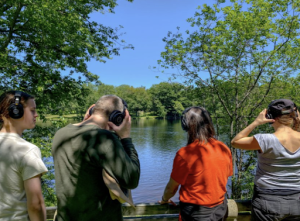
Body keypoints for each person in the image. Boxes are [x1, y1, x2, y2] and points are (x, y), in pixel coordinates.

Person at [52, 95, 140, 221]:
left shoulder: (61, 134)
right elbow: (132, 179)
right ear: (118, 118)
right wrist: (126, 138)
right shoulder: (103, 138)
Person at [231, 99, 300, 221]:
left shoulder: (265, 140)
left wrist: (256, 122)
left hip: (268, 201)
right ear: (294, 115)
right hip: (297, 202)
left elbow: (235, 142)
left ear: (269, 116)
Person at [160, 106, 233, 221]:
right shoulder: (223, 148)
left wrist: (164, 199)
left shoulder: (185, 154)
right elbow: (223, 177)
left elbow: (171, 188)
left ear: (186, 125)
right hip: (220, 209)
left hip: (195, 213)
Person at [0, 91, 48, 221]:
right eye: (32, 110)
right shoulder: (26, 150)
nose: (36, 115)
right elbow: (35, 204)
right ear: (16, 111)